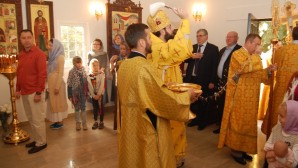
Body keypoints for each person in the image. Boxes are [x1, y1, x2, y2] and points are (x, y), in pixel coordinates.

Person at [117, 23, 199, 168]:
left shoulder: (124, 65)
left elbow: (140, 92)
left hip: (131, 122)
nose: (151, 40)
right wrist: (186, 96)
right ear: (141, 42)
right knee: (151, 157)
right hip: (147, 124)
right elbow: (162, 100)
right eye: (149, 37)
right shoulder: (144, 67)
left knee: (136, 156)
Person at [218, 33, 277, 165]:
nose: (258, 47)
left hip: (252, 97)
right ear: (249, 42)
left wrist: (268, 70)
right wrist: (257, 55)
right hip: (239, 96)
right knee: (239, 123)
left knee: (248, 124)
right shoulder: (237, 54)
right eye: (256, 44)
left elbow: (259, 76)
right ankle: (235, 151)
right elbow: (244, 68)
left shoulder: (253, 57)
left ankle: (243, 149)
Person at [146, 7, 193, 167]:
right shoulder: (158, 48)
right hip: (166, 97)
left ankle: (173, 157)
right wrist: (185, 20)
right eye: (170, 27)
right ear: (162, 29)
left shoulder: (157, 45)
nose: (172, 29)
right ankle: (169, 159)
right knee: (170, 128)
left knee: (174, 127)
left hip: (169, 92)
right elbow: (183, 50)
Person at [262, 26, 298, 137]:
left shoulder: (281, 50)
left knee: (279, 117)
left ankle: (273, 145)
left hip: (280, 93)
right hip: (296, 95)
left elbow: (272, 67)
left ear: (292, 35)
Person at [16, 29, 47, 154]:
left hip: (35, 93)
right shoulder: (21, 54)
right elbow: (20, 73)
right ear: (20, 39)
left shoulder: (39, 54)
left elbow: (42, 74)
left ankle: (42, 142)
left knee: (38, 119)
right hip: (24, 92)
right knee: (30, 118)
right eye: (23, 38)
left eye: (29, 37)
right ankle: (35, 139)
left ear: (33, 38)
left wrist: (39, 93)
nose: (26, 40)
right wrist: (18, 89)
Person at [185, 29, 220, 130]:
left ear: (206, 37)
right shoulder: (193, 47)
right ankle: (194, 119)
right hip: (192, 78)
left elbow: (215, 66)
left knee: (203, 102)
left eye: (200, 36)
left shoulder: (213, 49)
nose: (198, 38)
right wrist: (193, 57)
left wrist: (212, 81)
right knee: (193, 101)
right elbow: (185, 59)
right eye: (197, 36)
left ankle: (202, 122)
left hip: (204, 80)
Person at [213, 31, 242, 134]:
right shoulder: (222, 50)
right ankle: (221, 125)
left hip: (231, 83)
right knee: (220, 104)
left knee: (229, 105)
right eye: (227, 37)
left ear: (236, 39)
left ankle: (228, 128)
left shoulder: (240, 50)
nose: (228, 39)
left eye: (231, 37)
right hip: (220, 82)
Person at [264, 100, 298, 168]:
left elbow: (294, 163)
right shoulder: (277, 128)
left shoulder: (296, 138)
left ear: (292, 119)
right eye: (278, 114)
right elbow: (266, 146)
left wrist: (274, 154)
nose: (279, 118)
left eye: (282, 116)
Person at [46, 38, 68, 129]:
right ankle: (57, 121)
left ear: (56, 46)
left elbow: (60, 73)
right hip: (51, 83)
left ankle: (60, 122)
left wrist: (57, 87)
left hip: (57, 84)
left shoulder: (60, 57)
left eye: (51, 45)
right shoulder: (52, 56)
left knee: (58, 103)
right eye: (49, 45)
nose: (49, 47)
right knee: (53, 103)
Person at [67, 56, 89, 131]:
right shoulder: (71, 72)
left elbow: (86, 82)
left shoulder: (83, 70)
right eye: (77, 62)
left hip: (83, 92)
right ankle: (78, 123)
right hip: (75, 94)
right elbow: (69, 83)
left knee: (83, 108)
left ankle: (84, 123)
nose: (79, 64)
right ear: (74, 63)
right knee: (77, 109)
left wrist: (87, 92)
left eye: (80, 62)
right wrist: (69, 95)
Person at [87, 38, 109, 105]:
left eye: (97, 44)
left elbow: (105, 64)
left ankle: (101, 111)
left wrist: (100, 71)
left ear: (100, 45)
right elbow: (88, 64)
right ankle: (95, 111)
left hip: (101, 75)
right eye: (94, 44)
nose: (95, 45)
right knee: (93, 92)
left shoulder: (104, 54)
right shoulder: (90, 54)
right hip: (92, 76)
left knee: (101, 92)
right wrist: (93, 72)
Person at [87, 59, 105, 129]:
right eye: (94, 65)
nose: (95, 67)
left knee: (101, 108)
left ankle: (101, 122)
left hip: (100, 94)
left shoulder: (101, 74)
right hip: (94, 95)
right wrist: (94, 95)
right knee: (95, 108)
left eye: (97, 65)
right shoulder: (89, 76)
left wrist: (99, 94)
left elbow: (102, 85)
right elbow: (90, 87)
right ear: (91, 66)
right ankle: (96, 121)